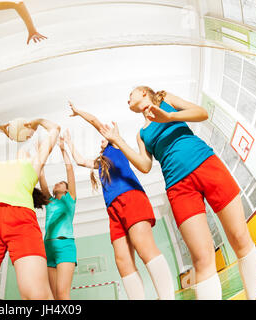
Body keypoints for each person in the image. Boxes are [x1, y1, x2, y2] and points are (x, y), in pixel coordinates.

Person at [98, 87, 256, 300]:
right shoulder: (142, 134)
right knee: (202, 259)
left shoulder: (165, 100)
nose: (127, 98)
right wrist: (118, 141)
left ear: (145, 93)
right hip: (178, 188)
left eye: (131, 93)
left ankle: (254, 295)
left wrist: (170, 116)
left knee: (239, 237)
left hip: (206, 164)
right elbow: (145, 166)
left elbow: (202, 113)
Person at [64, 102, 175, 300]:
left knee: (144, 247)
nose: (100, 141)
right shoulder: (101, 163)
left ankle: (166, 297)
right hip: (113, 209)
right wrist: (68, 143)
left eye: (102, 139)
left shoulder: (116, 145)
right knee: (122, 260)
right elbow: (80, 160)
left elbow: (95, 122)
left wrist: (78, 111)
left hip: (131, 198)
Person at [0, 118, 61, 300]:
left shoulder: (35, 165)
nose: (28, 148)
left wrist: (38, 121)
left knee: (37, 294)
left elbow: (55, 128)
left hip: (21, 221)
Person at [38, 135, 77, 300]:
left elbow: (70, 170)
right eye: (57, 183)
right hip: (48, 248)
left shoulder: (70, 200)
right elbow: (41, 176)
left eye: (62, 183)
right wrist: (41, 154)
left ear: (67, 190)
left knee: (62, 294)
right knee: (53, 296)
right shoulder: (49, 201)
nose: (58, 184)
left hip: (65, 246)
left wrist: (62, 149)